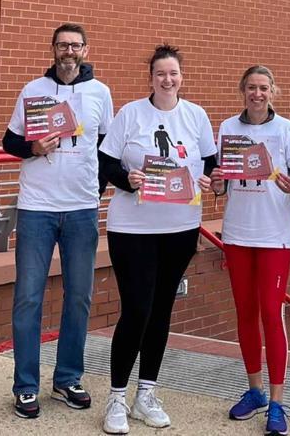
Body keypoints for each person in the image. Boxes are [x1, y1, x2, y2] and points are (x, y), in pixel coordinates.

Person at [98, 44, 217, 434]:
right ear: (150, 77)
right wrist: (126, 181)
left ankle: (145, 394)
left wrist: (210, 180)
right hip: (133, 228)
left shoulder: (196, 115)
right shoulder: (131, 113)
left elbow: (212, 165)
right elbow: (107, 161)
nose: (168, 79)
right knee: (137, 309)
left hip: (180, 227)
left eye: (174, 73)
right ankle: (116, 397)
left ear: (182, 77)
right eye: (161, 73)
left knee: (162, 309)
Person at [2, 23, 113, 419]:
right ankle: (26, 386)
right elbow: (9, 141)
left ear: (85, 49)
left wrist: (95, 190)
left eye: (76, 45)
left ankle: (67, 378)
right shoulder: (33, 90)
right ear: (53, 49)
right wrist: (31, 147)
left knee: (79, 298)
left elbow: (107, 149)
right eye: (63, 45)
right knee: (28, 297)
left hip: (81, 210)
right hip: (36, 208)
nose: (69, 51)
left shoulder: (100, 92)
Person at [210, 65, 290, 436]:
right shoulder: (228, 129)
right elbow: (223, 184)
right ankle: (255, 391)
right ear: (242, 91)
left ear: (272, 92)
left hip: (273, 235)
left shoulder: (285, 129)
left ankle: (278, 402)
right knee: (246, 313)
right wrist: (217, 184)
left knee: (271, 311)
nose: (257, 94)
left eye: (264, 88)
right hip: (238, 233)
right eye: (251, 87)